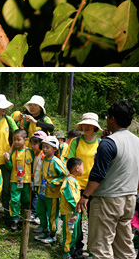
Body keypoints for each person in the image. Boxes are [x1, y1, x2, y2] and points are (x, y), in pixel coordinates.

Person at [76, 101, 139, 259]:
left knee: (101, 247)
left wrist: (85, 196)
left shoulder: (108, 143)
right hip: (129, 199)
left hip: (107, 200)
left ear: (112, 119)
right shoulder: (136, 141)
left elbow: (98, 174)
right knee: (124, 245)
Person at [68, 113, 100, 256]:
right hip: (77, 186)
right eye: (84, 124)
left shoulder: (101, 143)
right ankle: (77, 246)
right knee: (77, 219)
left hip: (93, 187)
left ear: (95, 127)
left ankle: (93, 248)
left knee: (94, 219)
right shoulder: (76, 141)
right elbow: (70, 162)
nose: (87, 127)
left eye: (90, 124)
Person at [35, 135, 66, 245]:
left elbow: (65, 175)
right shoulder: (43, 159)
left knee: (52, 215)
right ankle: (45, 231)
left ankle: (53, 236)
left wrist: (54, 183)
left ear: (54, 149)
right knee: (40, 211)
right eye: (43, 146)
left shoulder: (56, 161)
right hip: (42, 192)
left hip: (52, 194)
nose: (44, 149)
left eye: (47, 147)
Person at [5, 129, 32, 231]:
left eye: (18, 140)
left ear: (25, 140)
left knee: (26, 200)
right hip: (15, 181)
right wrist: (7, 161)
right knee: (15, 200)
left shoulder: (30, 152)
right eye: (14, 140)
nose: (16, 142)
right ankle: (15, 219)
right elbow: (10, 167)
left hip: (26, 181)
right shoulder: (12, 153)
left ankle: (23, 218)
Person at [60, 157, 83, 259]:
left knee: (75, 233)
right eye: (82, 167)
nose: (84, 169)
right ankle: (65, 253)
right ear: (77, 168)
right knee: (69, 234)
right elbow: (72, 198)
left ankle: (72, 250)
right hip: (71, 213)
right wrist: (75, 212)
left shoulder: (74, 180)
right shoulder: (69, 181)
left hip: (75, 213)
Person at [29, 131, 46, 225]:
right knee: (35, 196)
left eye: (35, 144)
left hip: (41, 182)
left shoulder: (43, 155)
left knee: (38, 198)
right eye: (32, 144)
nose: (32, 146)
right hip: (35, 181)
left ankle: (36, 214)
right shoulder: (35, 154)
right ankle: (34, 213)